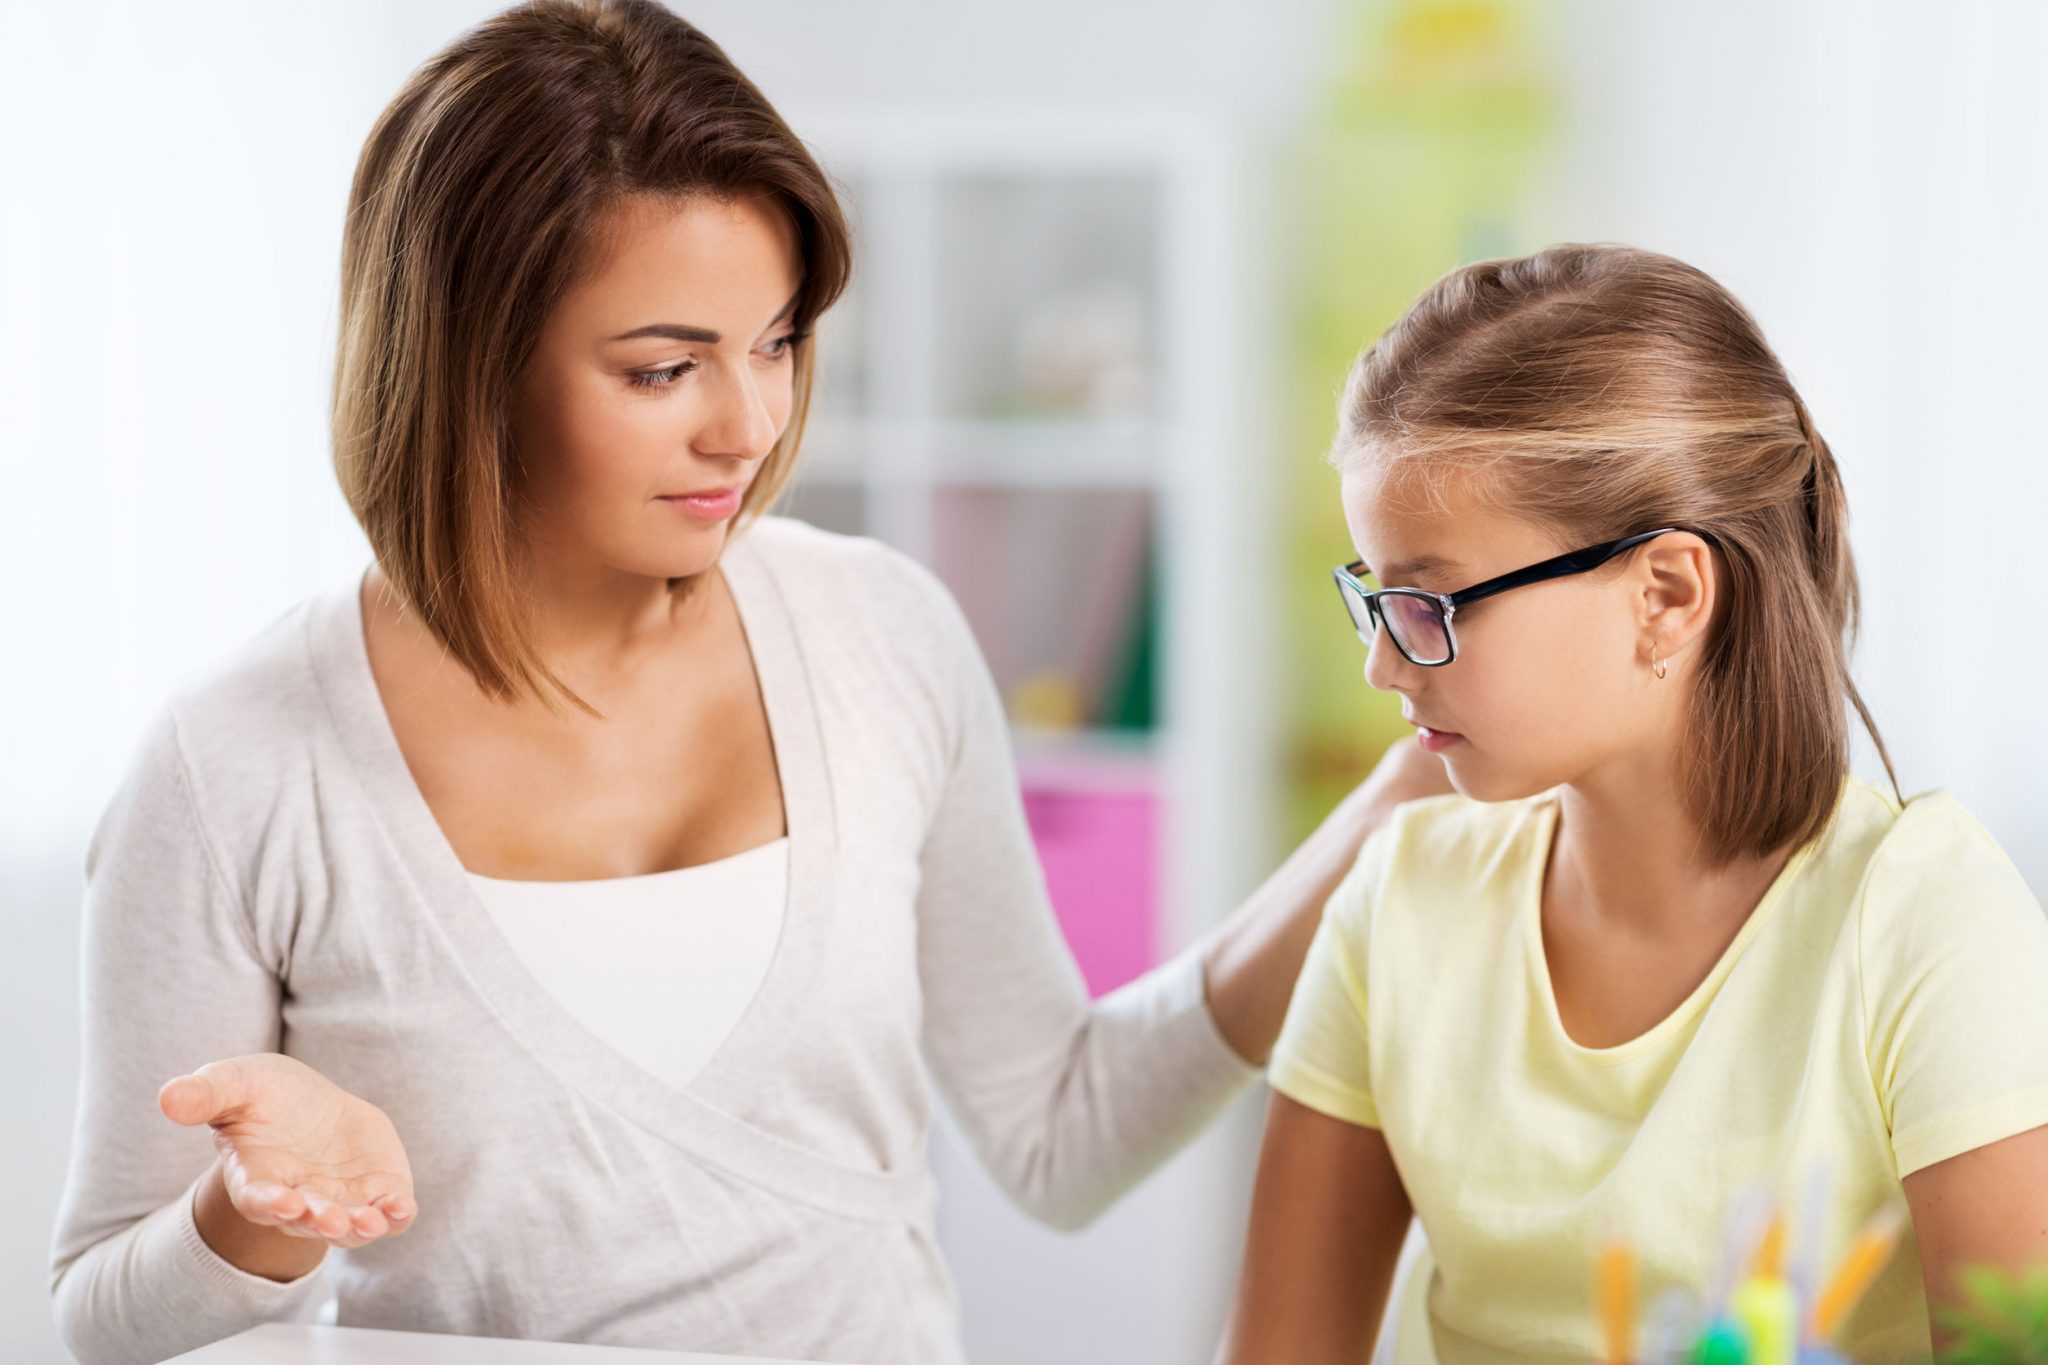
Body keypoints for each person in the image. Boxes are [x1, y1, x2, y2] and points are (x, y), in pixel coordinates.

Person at [46, 4, 1450, 1364]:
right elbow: (101, 1318)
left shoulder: (881, 636)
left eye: (776, 342)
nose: (751, 424)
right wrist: (258, 1217)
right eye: (664, 369)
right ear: (469, 366)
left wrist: (1391, 808)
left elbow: (1060, 1134)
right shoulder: (236, 765)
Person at [1217, 244, 2048, 1364]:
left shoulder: (1920, 923)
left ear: (1662, 595)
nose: (1383, 663)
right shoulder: (1399, 902)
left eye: (1427, 601)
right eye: (1375, 597)